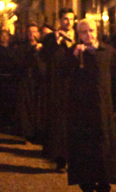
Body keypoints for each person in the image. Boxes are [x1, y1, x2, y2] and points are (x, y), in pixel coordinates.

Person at [65, 19, 116, 192]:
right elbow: (64, 76)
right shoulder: (74, 53)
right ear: (78, 34)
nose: (88, 34)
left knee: (104, 144)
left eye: (91, 30)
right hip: (81, 109)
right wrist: (74, 57)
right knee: (84, 145)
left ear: (97, 31)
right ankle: (86, 181)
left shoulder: (108, 51)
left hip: (104, 107)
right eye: (84, 32)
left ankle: (104, 180)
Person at [40, 9, 77, 171]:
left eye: (71, 19)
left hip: (75, 85)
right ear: (60, 20)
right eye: (65, 19)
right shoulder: (50, 38)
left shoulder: (80, 37)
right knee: (59, 122)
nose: (68, 22)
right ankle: (60, 157)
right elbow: (44, 58)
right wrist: (55, 43)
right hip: (57, 86)